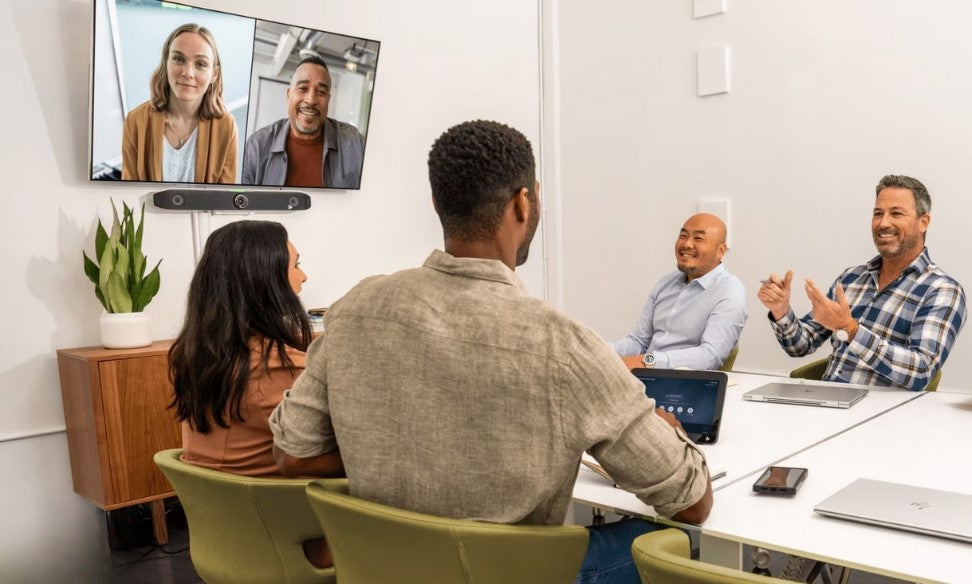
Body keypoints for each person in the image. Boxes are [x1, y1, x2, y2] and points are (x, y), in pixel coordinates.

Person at [269, 120, 712, 584]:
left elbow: (292, 453)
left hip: (387, 570)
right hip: (512, 574)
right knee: (676, 543)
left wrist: (402, 454)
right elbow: (691, 501)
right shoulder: (564, 346)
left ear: (438, 202)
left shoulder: (354, 309)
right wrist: (668, 429)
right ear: (524, 203)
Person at [168, 220, 341, 567]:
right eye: (295, 265)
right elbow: (339, 442)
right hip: (291, 544)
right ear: (266, 279)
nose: (303, 277)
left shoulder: (198, 353)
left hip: (231, 537)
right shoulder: (275, 368)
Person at [758, 174, 966, 390]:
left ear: (923, 222)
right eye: (878, 213)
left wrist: (850, 329)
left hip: (883, 417)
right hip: (825, 405)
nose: (883, 223)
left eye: (896, 213)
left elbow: (920, 372)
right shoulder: (852, 278)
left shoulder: (943, 291)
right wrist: (781, 311)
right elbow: (800, 346)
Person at [611, 213, 747, 371]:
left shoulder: (731, 291)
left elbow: (710, 356)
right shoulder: (665, 284)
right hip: (644, 378)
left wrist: (648, 361)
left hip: (683, 386)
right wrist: (600, 351)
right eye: (683, 236)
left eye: (698, 238)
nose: (687, 244)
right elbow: (639, 342)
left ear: (720, 250)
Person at [121, 23, 238, 183]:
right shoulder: (135, 120)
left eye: (201, 64)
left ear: (214, 75)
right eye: (178, 59)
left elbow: (223, 199)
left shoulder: (226, 126)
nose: (188, 73)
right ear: (166, 63)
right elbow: (126, 194)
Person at [241, 56, 364, 188]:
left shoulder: (355, 143)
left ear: (328, 99)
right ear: (289, 95)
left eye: (321, 92)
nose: (311, 100)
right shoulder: (256, 147)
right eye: (303, 88)